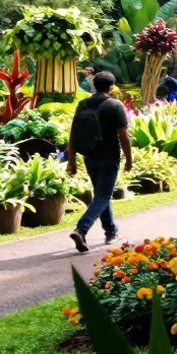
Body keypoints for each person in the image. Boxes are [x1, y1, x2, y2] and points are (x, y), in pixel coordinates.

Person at [66, 70, 132, 252]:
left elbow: (73, 134)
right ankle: (82, 228)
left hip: (89, 156)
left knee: (101, 194)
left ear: (94, 85)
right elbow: (124, 137)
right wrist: (129, 159)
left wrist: (71, 161)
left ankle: (111, 231)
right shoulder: (115, 105)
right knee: (103, 195)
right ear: (111, 87)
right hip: (109, 157)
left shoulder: (83, 104)